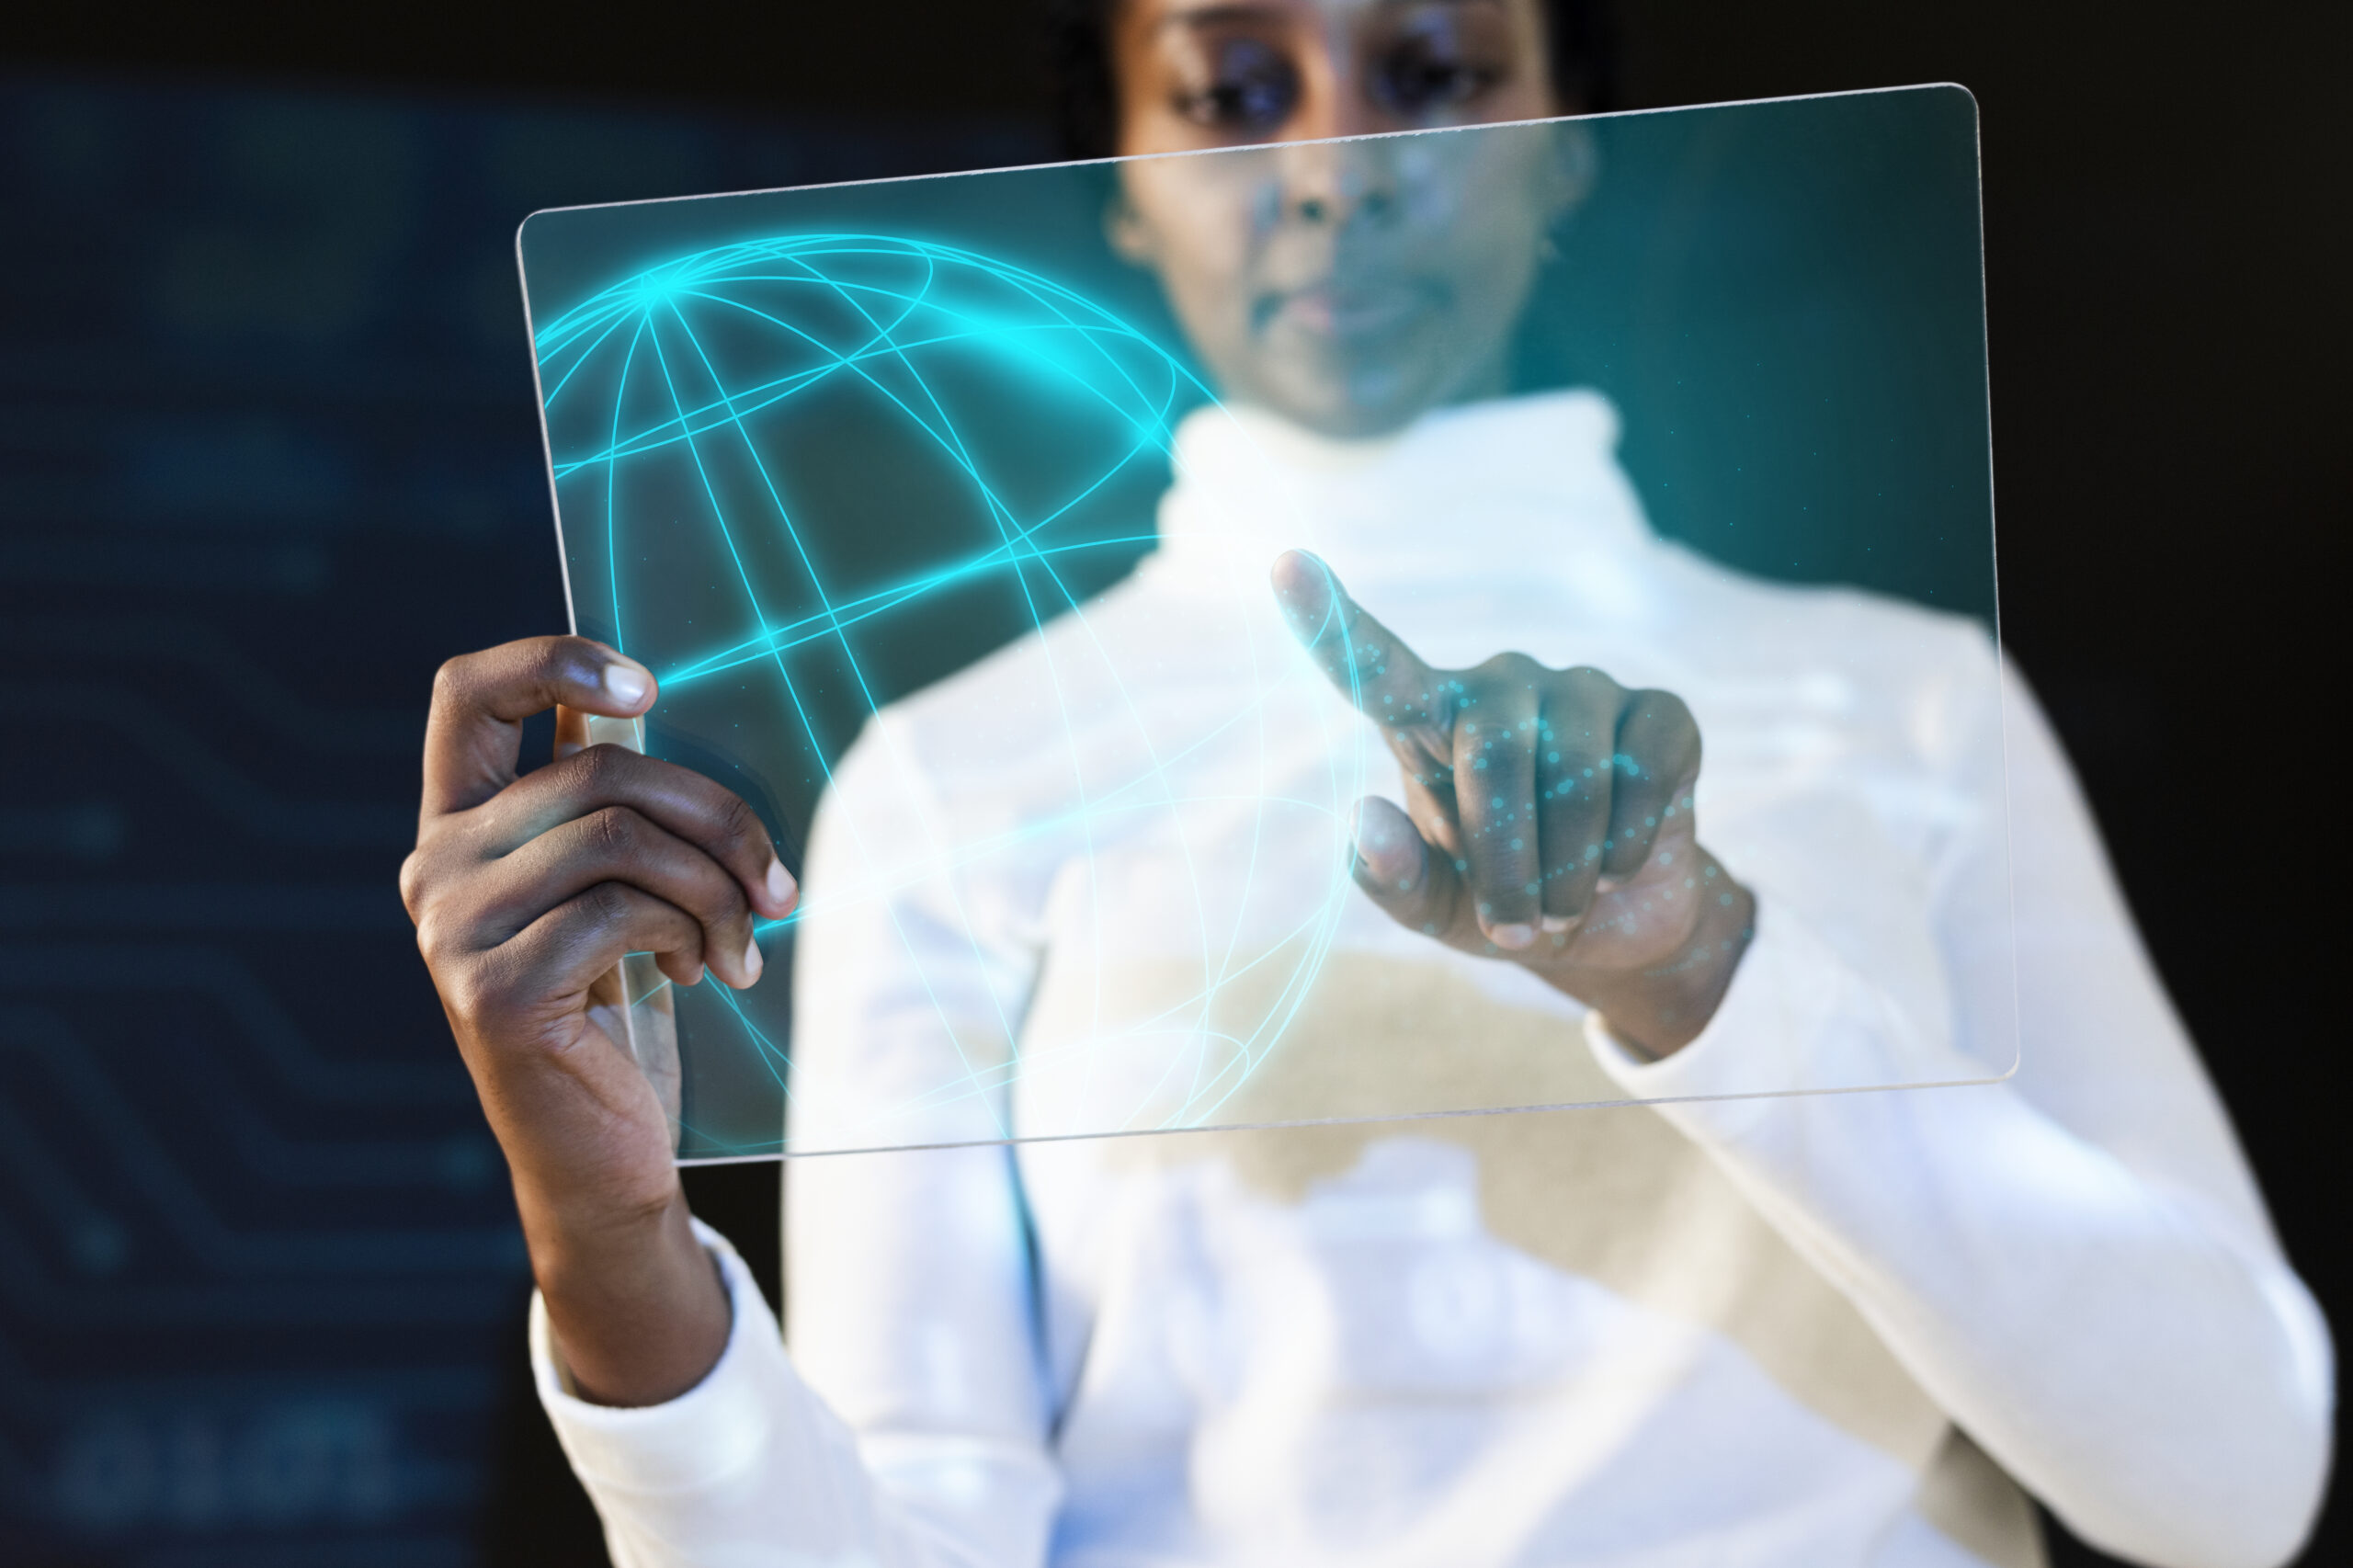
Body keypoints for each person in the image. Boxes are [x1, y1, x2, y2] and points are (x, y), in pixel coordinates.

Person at [399, 2, 2334, 1563]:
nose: (1332, 165)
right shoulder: (959, 776)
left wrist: (1702, 974)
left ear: (1569, 135)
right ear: (1125, 186)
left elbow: (2228, 1487)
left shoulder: (1905, 701)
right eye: (1235, 88)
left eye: (1431, 71)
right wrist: (615, 1251)